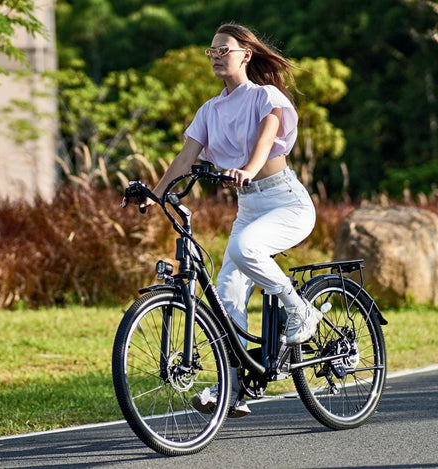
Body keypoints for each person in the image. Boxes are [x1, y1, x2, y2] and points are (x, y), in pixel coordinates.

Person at [142, 23, 321, 417]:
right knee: (227, 297)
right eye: (212, 52)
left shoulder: (264, 96)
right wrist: (154, 195)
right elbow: (185, 158)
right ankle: (234, 386)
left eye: (224, 50)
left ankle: (301, 310)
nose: (217, 57)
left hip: (285, 201)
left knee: (245, 249)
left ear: (246, 54)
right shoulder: (210, 110)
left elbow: (265, 137)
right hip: (249, 208)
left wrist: (247, 168)